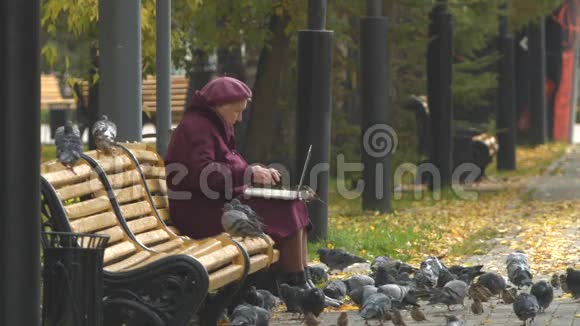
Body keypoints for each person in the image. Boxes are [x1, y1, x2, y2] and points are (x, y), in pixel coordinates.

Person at [164, 76, 312, 288]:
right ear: (218, 106)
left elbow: (226, 166)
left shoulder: (212, 124)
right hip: (202, 212)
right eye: (236, 111)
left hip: (220, 204)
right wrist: (248, 173)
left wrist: (253, 172)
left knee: (294, 202)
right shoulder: (196, 128)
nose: (240, 118)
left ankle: (302, 278)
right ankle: (295, 284)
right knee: (285, 208)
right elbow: (205, 174)